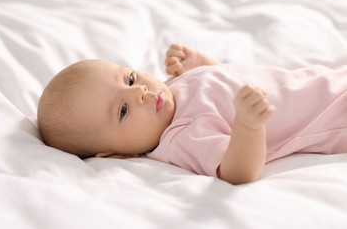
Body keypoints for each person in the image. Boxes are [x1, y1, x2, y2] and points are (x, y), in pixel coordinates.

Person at [37, 44, 347, 185]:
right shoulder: (182, 137)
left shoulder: (170, 89)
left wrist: (202, 63)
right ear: (114, 154)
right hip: (336, 116)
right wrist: (248, 126)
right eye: (123, 110)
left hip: (328, 80)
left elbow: (222, 83)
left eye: (129, 79)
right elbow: (239, 171)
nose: (139, 92)